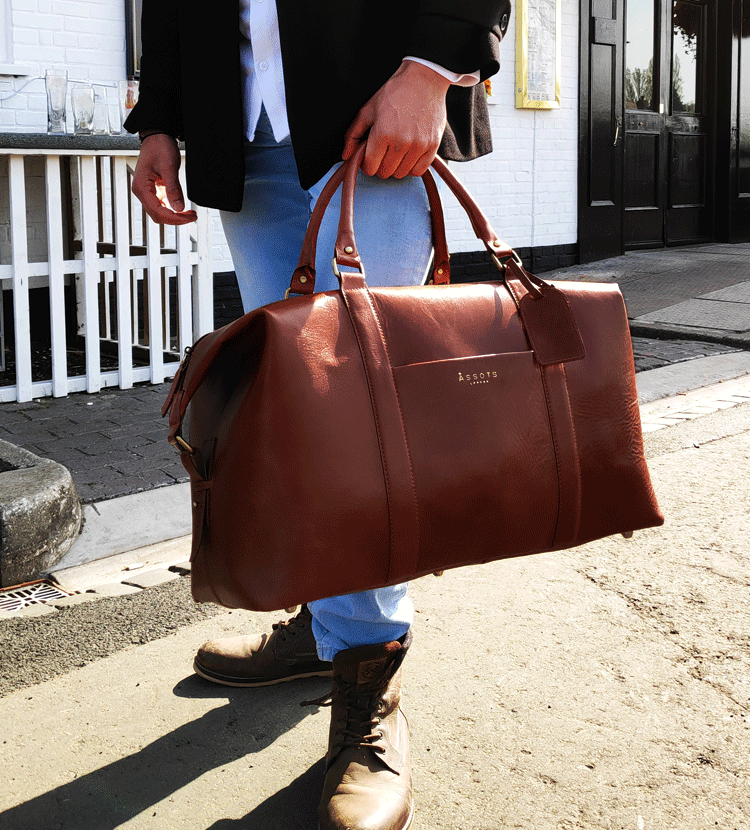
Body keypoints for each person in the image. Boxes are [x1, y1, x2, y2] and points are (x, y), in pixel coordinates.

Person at [126, 3, 511, 828]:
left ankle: (371, 689)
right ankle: (323, 627)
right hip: (245, 130)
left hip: (373, 108)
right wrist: (158, 115)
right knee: (299, 416)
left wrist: (435, 65)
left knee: (358, 421)